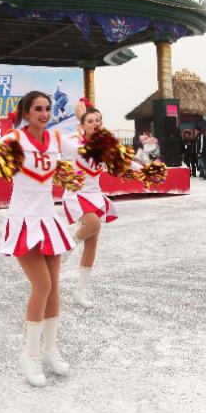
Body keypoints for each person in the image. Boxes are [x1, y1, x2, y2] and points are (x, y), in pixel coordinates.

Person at [0, 91, 77, 387]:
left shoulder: (56, 140)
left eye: (47, 108)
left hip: (47, 220)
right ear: (26, 113)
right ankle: (29, 355)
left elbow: (85, 153)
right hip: (23, 222)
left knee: (54, 288)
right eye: (38, 109)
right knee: (41, 285)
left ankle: (51, 350)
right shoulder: (13, 140)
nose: (44, 114)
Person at [60, 104, 145, 309]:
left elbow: (123, 160)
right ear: (82, 125)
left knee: (92, 242)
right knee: (93, 224)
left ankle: (80, 290)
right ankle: (67, 247)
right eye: (90, 121)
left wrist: (143, 169)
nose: (95, 123)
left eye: (98, 120)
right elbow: (55, 146)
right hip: (76, 193)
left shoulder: (106, 146)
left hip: (95, 194)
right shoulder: (74, 141)